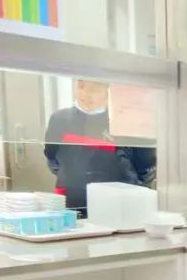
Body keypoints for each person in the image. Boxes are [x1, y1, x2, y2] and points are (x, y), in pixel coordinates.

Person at [43, 79, 156, 214]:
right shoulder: (60, 119)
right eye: (81, 86)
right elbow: (52, 159)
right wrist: (75, 178)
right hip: (72, 203)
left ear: (110, 91)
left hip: (117, 205)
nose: (86, 94)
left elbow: (145, 168)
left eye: (95, 89)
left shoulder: (128, 121)